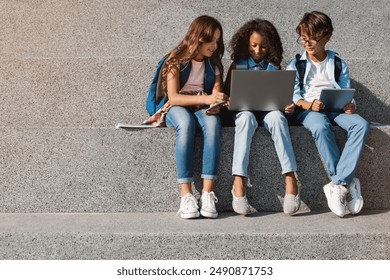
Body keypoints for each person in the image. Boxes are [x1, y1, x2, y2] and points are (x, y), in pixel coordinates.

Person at [286, 11, 370, 217]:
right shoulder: (296, 64)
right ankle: (346, 182)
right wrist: (307, 104)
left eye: (312, 38)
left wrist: (350, 105)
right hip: (309, 110)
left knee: (361, 124)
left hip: (337, 107)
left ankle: (338, 183)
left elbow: (345, 90)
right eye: (303, 38)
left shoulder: (338, 63)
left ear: (327, 37)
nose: (307, 43)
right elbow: (294, 94)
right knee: (320, 126)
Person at [223, 19, 300, 215]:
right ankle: (238, 183)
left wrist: (287, 106)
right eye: (254, 45)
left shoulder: (274, 66)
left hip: (269, 111)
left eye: (264, 46)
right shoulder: (237, 65)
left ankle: (291, 179)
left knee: (277, 118)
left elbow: (282, 98)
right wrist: (229, 101)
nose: (258, 50)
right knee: (246, 119)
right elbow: (227, 95)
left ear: (271, 46)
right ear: (246, 44)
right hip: (244, 112)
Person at [161, 15, 227, 219]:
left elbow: (215, 94)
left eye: (218, 40)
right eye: (212, 40)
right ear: (199, 38)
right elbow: (173, 97)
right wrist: (208, 99)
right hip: (177, 106)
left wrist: (216, 104)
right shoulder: (175, 59)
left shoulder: (214, 64)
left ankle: (208, 193)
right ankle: (186, 193)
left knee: (214, 123)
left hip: (202, 105)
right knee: (186, 123)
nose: (215, 46)